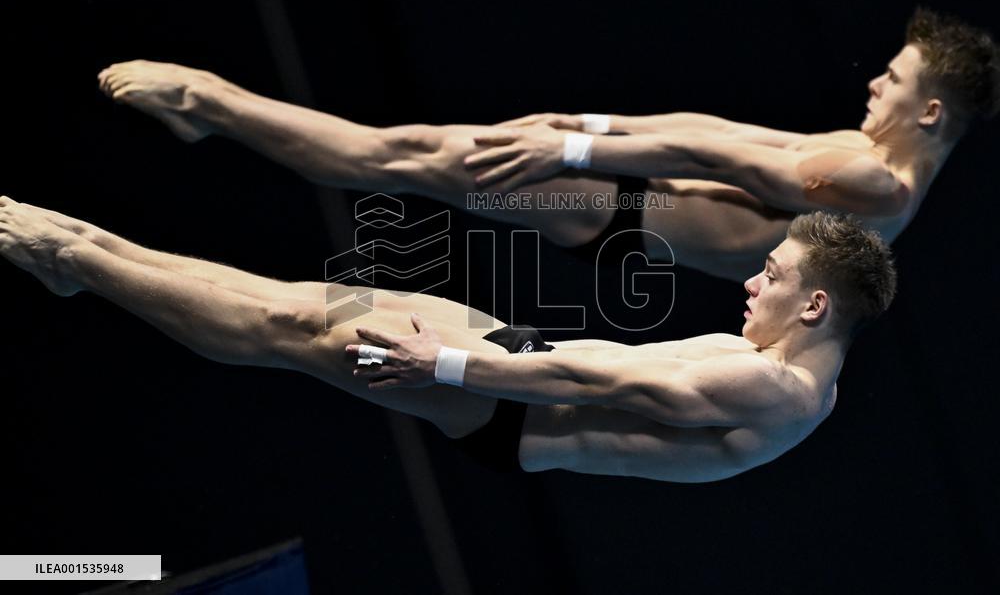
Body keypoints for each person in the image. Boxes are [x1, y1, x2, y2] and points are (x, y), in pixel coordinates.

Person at [0, 198, 895, 482]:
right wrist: (488, 353)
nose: (750, 280)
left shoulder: (775, 393)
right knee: (290, 300)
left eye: (772, 275)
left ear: (816, 307)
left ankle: (70, 256)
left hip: (500, 402)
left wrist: (454, 363)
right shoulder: (779, 369)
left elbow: (607, 387)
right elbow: (593, 363)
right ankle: (89, 254)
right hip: (512, 363)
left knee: (283, 330)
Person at [96, 8, 997, 280]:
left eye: (896, 79)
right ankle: (211, 109)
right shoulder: (865, 151)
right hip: (619, 195)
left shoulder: (881, 188)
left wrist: (568, 156)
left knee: (395, 158)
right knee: (405, 150)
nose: (875, 82)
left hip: (617, 203)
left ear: (930, 114)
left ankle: (206, 99)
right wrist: (587, 128)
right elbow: (721, 132)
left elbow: (721, 161)